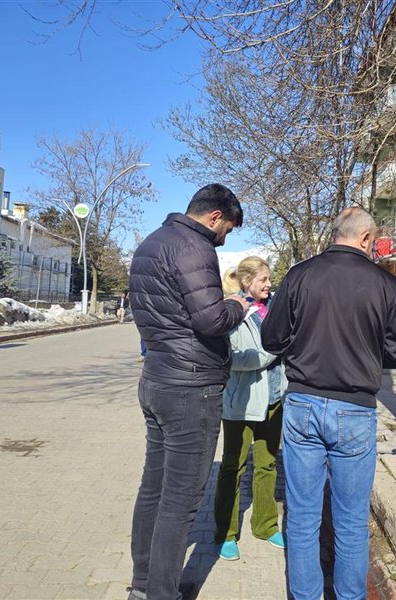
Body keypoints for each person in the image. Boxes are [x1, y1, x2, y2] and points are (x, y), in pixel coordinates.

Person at [261, 206, 396, 600]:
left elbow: (271, 338)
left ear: (336, 233)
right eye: (374, 242)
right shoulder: (385, 284)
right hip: (354, 408)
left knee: (302, 517)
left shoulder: (299, 275)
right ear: (365, 238)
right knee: (350, 521)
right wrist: (369, 353)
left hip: (303, 403)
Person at [127, 184, 250, 600]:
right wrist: (238, 305)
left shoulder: (152, 242)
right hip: (190, 388)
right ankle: (162, 593)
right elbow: (212, 320)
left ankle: (143, 585)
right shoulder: (195, 247)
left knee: (154, 489)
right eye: (227, 229)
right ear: (215, 217)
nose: (224, 238)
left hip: (157, 378)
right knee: (179, 501)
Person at [213, 257, 287, 561]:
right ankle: (226, 533)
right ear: (247, 282)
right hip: (242, 403)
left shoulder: (273, 309)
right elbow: (233, 357)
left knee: (267, 465)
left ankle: (266, 525)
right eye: (263, 280)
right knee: (233, 466)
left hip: (274, 399)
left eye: (269, 279)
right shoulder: (232, 311)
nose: (269, 285)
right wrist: (273, 352)